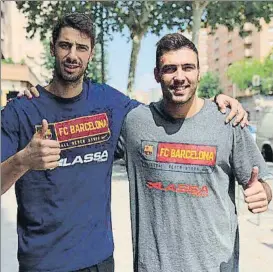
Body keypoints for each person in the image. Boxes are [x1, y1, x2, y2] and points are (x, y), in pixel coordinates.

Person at [1, 13, 251, 272]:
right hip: (42, 263)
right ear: (53, 47)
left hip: (98, 261)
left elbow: (168, 114)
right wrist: (23, 160)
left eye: (81, 48)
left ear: (91, 53)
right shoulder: (19, 111)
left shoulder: (109, 102)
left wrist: (214, 103)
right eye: (65, 45)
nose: (72, 55)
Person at [115, 33, 272, 272]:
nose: (180, 77)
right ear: (157, 74)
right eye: (170, 69)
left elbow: (262, 180)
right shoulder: (135, 123)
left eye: (188, 67)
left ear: (199, 73)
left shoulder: (227, 119)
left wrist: (265, 192)